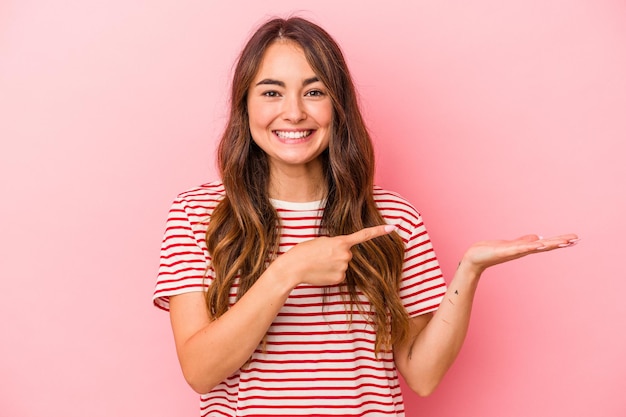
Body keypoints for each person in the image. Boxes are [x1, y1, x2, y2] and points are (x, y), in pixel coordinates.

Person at [153, 16, 578, 416]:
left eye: (314, 91)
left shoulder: (392, 217)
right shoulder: (200, 214)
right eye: (271, 91)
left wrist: (468, 272)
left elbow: (423, 375)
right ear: (244, 105)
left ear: (338, 106)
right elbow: (200, 371)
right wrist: (289, 270)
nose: (294, 111)